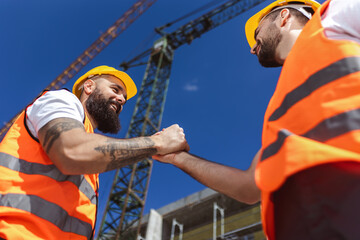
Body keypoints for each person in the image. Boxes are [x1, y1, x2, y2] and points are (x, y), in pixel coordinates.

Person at [154, 0, 360, 239]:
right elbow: (249, 187)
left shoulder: (333, 19)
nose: (252, 48)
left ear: (283, 17)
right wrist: (178, 158)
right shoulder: (280, 108)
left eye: (257, 33)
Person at [0, 65, 189, 240]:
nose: (122, 99)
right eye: (115, 90)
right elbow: (71, 151)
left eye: (124, 97)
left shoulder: (90, 152)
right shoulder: (61, 100)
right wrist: (156, 143)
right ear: (89, 86)